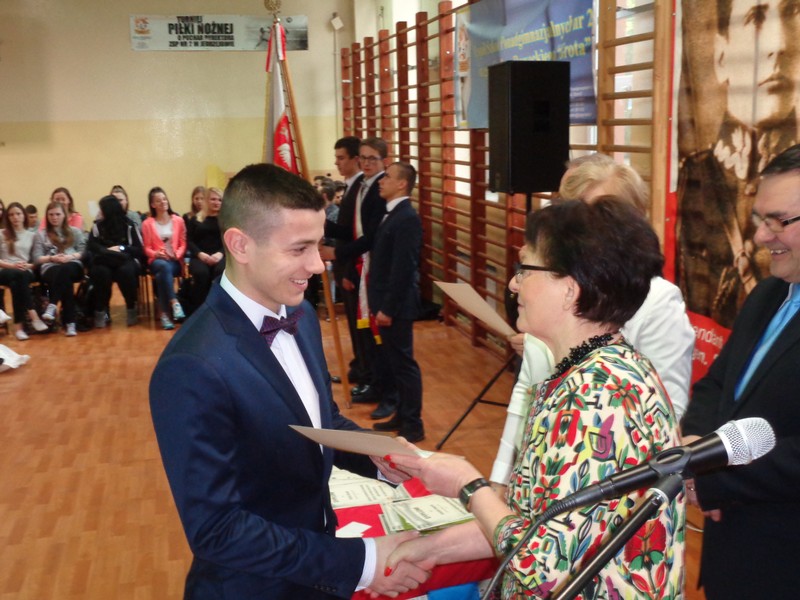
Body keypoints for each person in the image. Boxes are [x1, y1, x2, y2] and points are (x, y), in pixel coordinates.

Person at [149, 163, 429, 599]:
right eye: (299, 249)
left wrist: (379, 454)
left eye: (318, 245)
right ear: (240, 245)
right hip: (252, 587)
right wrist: (361, 562)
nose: (317, 264)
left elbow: (319, 420)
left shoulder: (300, 315)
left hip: (316, 571)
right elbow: (217, 529)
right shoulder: (191, 366)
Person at [386, 198, 685, 598]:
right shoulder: (600, 370)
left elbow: (545, 568)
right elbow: (536, 525)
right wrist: (432, 548)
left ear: (569, 290)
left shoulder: (595, 396)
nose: (514, 284)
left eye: (525, 269)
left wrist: (468, 486)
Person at [491, 155, 695, 486]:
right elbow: (523, 399)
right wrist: (501, 479)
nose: (583, 230)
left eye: (599, 214)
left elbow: (664, 410)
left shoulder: (656, 301)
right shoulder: (552, 300)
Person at [680, 143, 800, 599]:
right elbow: (718, 385)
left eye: (778, 221)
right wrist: (696, 447)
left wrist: (711, 477)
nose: (761, 236)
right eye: (759, 219)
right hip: (733, 553)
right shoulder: (767, 294)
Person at [677, 0, 800, 327]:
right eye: (756, 18)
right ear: (721, 57)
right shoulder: (695, 175)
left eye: (792, 13)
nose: (779, 44)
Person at [321, 137, 389, 406]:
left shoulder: (373, 188)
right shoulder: (359, 187)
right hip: (353, 265)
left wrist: (342, 261)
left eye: (342, 158)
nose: (337, 163)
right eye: (364, 158)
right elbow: (348, 230)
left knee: (367, 330)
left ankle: (372, 378)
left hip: (362, 267)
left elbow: (365, 237)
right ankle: (362, 371)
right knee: (357, 327)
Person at [368, 162, 425, 442]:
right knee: (395, 363)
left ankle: (413, 423)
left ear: (402, 184)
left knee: (404, 364)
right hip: (386, 302)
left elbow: (403, 268)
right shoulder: (392, 214)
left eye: (387, 177)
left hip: (396, 306)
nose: (381, 181)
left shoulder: (407, 218)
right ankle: (402, 414)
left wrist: (388, 308)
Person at [87, 195, 143, 328]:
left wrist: (122, 248)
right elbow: (91, 246)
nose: (99, 212)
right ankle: (102, 311)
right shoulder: (97, 226)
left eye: (101, 209)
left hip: (125, 259)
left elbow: (138, 249)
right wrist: (106, 250)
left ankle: (131, 307)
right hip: (104, 260)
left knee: (125, 272)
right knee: (101, 272)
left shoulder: (129, 225)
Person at [32, 201, 86, 337]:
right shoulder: (41, 234)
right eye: (51, 214)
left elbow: (84, 252)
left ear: (64, 215)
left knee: (65, 270)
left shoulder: (75, 231)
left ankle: (53, 304)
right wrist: (52, 258)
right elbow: (37, 258)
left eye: (57, 214)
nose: (54, 217)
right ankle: (70, 323)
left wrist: (70, 257)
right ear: (47, 216)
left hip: (72, 263)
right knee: (64, 278)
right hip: (51, 266)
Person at [0, 202, 49, 340]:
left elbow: (35, 260)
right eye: (11, 215)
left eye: (18, 214)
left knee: (17, 282)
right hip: (5, 269)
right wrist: (12, 266)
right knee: (18, 277)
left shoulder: (32, 235)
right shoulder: (1, 234)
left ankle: (19, 328)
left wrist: (29, 266)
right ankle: (33, 316)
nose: (15, 217)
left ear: (24, 216)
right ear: (7, 217)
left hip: (25, 270)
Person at [141, 186, 187, 330]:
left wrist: (176, 254)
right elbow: (146, 248)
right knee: (162, 266)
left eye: (164, 199)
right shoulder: (147, 223)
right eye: (158, 201)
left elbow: (183, 243)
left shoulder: (178, 220)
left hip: (174, 261)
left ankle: (164, 315)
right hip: (157, 260)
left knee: (162, 274)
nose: (163, 202)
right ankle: (174, 302)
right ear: (153, 204)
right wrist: (156, 254)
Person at [186, 187, 225, 313]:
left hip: (221, 255)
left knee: (220, 272)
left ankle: (219, 310)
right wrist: (200, 254)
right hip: (200, 256)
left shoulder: (226, 220)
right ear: (207, 200)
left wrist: (220, 254)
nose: (216, 202)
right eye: (213, 199)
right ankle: (200, 311)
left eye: (219, 200)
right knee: (201, 273)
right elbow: (189, 241)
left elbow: (230, 241)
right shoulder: (195, 219)